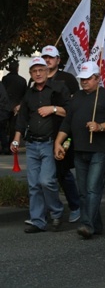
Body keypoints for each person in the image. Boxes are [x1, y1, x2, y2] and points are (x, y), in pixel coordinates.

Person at [53, 61, 105, 239]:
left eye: (88, 78)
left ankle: (87, 224)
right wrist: (58, 142)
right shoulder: (76, 97)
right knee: (83, 191)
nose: (84, 82)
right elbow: (67, 122)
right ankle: (96, 225)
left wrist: (100, 126)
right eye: (82, 79)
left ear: (97, 78)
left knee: (92, 189)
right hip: (79, 149)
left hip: (99, 150)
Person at [11, 57, 70, 233]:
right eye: (34, 71)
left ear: (47, 71)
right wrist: (16, 139)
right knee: (34, 184)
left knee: (46, 181)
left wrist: (52, 109)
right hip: (31, 144)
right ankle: (38, 220)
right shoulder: (29, 94)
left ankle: (57, 213)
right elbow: (21, 120)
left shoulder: (58, 89)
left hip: (49, 143)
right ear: (30, 74)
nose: (38, 73)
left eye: (41, 70)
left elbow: (70, 111)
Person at [41, 45, 81, 223]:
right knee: (44, 174)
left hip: (63, 132)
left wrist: (54, 109)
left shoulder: (68, 79)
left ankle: (75, 205)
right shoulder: (36, 78)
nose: (47, 60)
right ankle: (47, 210)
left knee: (62, 171)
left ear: (58, 60)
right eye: (44, 57)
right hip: (42, 134)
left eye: (51, 57)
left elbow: (73, 108)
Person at [2, 60, 26, 155]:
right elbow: (25, 95)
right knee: (13, 128)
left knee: (3, 128)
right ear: (17, 68)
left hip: (5, 106)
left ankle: (4, 146)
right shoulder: (22, 80)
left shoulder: (5, 79)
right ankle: (11, 146)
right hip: (17, 107)